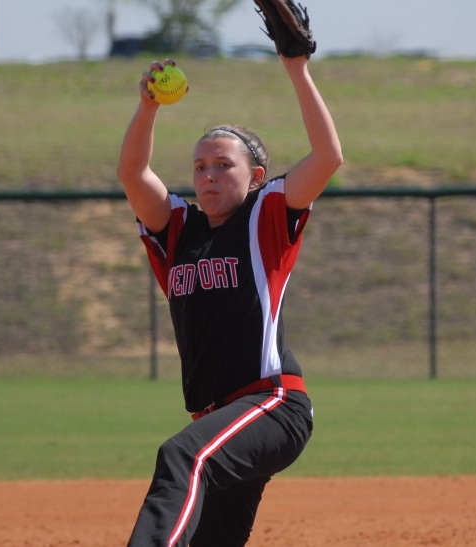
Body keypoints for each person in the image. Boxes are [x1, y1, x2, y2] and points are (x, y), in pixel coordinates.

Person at [117, 51, 342, 547]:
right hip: (218, 416)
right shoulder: (178, 229)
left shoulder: (266, 215)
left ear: (256, 176)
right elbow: (133, 174)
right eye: (200, 166)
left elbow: (328, 158)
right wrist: (148, 108)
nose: (208, 175)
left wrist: (297, 70)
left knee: (183, 456)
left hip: (273, 404)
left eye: (223, 165)